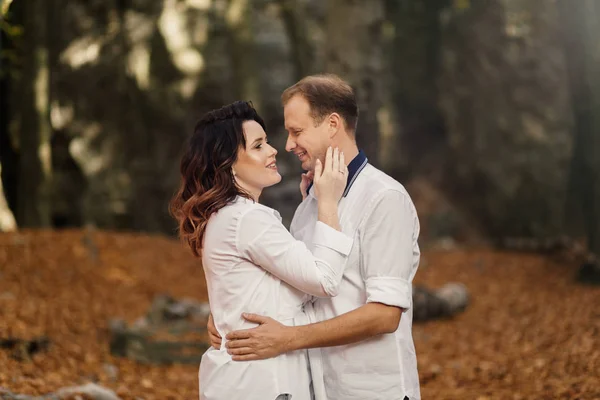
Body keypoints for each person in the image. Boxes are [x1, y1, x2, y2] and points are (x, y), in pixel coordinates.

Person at [209, 75, 422, 400]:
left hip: (373, 390)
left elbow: (385, 314)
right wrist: (228, 313)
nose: (289, 144)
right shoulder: (312, 203)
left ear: (332, 124)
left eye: (297, 131)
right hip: (317, 388)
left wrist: (290, 338)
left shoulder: (384, 198)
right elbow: (296, 284)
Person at [170, 100, 353, 400]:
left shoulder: (226, 215)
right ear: (226, 164)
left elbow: (275, 286)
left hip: (245, 380)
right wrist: (329, 202)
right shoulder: (247, 218)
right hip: (261, 383)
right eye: (258, 146)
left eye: (266, 142)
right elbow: (324, 280)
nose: (273, 151)